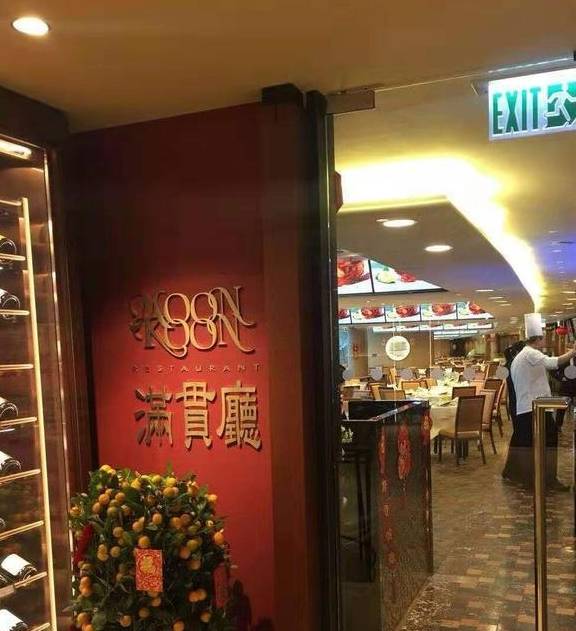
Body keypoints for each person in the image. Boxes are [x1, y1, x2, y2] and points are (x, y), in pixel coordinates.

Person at [503, 313, 576, 490]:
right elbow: (553, 363)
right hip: (535, 408)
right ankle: (548, 480)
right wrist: (573, 352)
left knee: (527, 444)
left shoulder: (523, 355)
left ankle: (524, 477)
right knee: (549, 442)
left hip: (527, 407)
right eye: (543, 336)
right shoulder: (530, 353)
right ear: (538, 338)